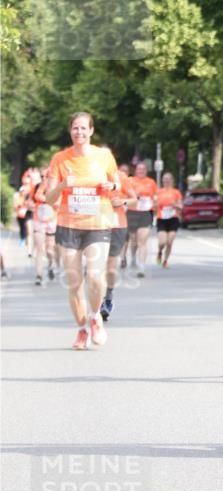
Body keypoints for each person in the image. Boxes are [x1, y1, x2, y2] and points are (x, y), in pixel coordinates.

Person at [45, 112, 119, 350]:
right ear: (70, 131)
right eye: (75, 128)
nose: (79, 132)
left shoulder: (104, 155)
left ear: (91, 131)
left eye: (83, 128)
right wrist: (63, 185)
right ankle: (81, 329)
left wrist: (113, 185)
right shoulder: (60, 159)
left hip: (98, 223)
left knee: (95, 276)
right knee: (74, 282)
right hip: (68, 226)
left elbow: (116, 182)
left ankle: (95, 316)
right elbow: (48, 197)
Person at [101, 161, 136, 321]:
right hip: (95, 224)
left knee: (110, 268)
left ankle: (108, 296)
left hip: (117, 224)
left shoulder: (121, 177)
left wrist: (122, 202)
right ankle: (97, 302)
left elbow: (134, 199)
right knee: (96, 266)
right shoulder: (91, 175)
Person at [126, 161, 156, 277]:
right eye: (139, 169)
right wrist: (135, 195)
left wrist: (154, 202)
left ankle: (141, 267)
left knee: (142, 241)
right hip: (132, 212)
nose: (141, 171)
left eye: (143, 169)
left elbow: (154, 196)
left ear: (146, 170)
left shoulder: (151, 182)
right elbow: (125, 195)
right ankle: (133, 256)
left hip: (145, 213)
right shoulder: (130, 181)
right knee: (134, 240)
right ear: (136, 170)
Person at [31, 168, 57, 284]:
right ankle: (38, 275)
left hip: (51, 222)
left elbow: (59, 202)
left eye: (46, 176)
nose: (44, 178)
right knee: (39, 248)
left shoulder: (56, 187)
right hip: (38, 221)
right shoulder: (36, 187)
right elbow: (31, 200)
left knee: (50, 251)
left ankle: (51, 265)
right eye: (42, 176)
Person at [155, 172, 183, 267]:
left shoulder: (176, 192)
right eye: (164, 179)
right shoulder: (158, 192)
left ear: (172, 181)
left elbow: (180, 206)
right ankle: (159, 252)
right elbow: (154, 206)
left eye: (168, 179)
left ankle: (165, 261)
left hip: (173, 219)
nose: (166, 181)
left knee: (170, 242)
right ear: (162, 180)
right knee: (162, 242)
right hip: (161, 219)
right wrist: (156, 205)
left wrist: (174, 205)